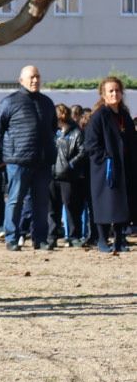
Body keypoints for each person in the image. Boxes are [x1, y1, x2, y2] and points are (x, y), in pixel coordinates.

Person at [0, 65, 57, 251]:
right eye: (31, 77)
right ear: (21, 80)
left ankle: (40, 239)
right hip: (18, 161)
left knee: (41, 202)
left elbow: (52, 128)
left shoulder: (47, 102)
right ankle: (12, 238)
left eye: (38, 76)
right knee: (15, 200)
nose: (35, 80)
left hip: (43, 161)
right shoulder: (9, 102)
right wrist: (8, 151)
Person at [83, 76, 135, 254]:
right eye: (110, 91)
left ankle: (120, 239)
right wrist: (105, 159)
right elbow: (90, 144)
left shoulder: (124, 116)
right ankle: (103, 239)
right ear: (103, 95)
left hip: (124, 167)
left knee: (123, 204)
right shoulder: (99, 116)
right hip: (105, 168)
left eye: (117, 90)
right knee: (105, 204)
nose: (114, 94)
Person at [51, 104, 88, 248]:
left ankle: (74, 236)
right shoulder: (52, 132)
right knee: (52, 209)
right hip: (52, 174)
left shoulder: (76, 132)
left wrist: (70, 165)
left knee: (72, 207)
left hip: (68, 176)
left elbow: (82, 151)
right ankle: (52, 236)